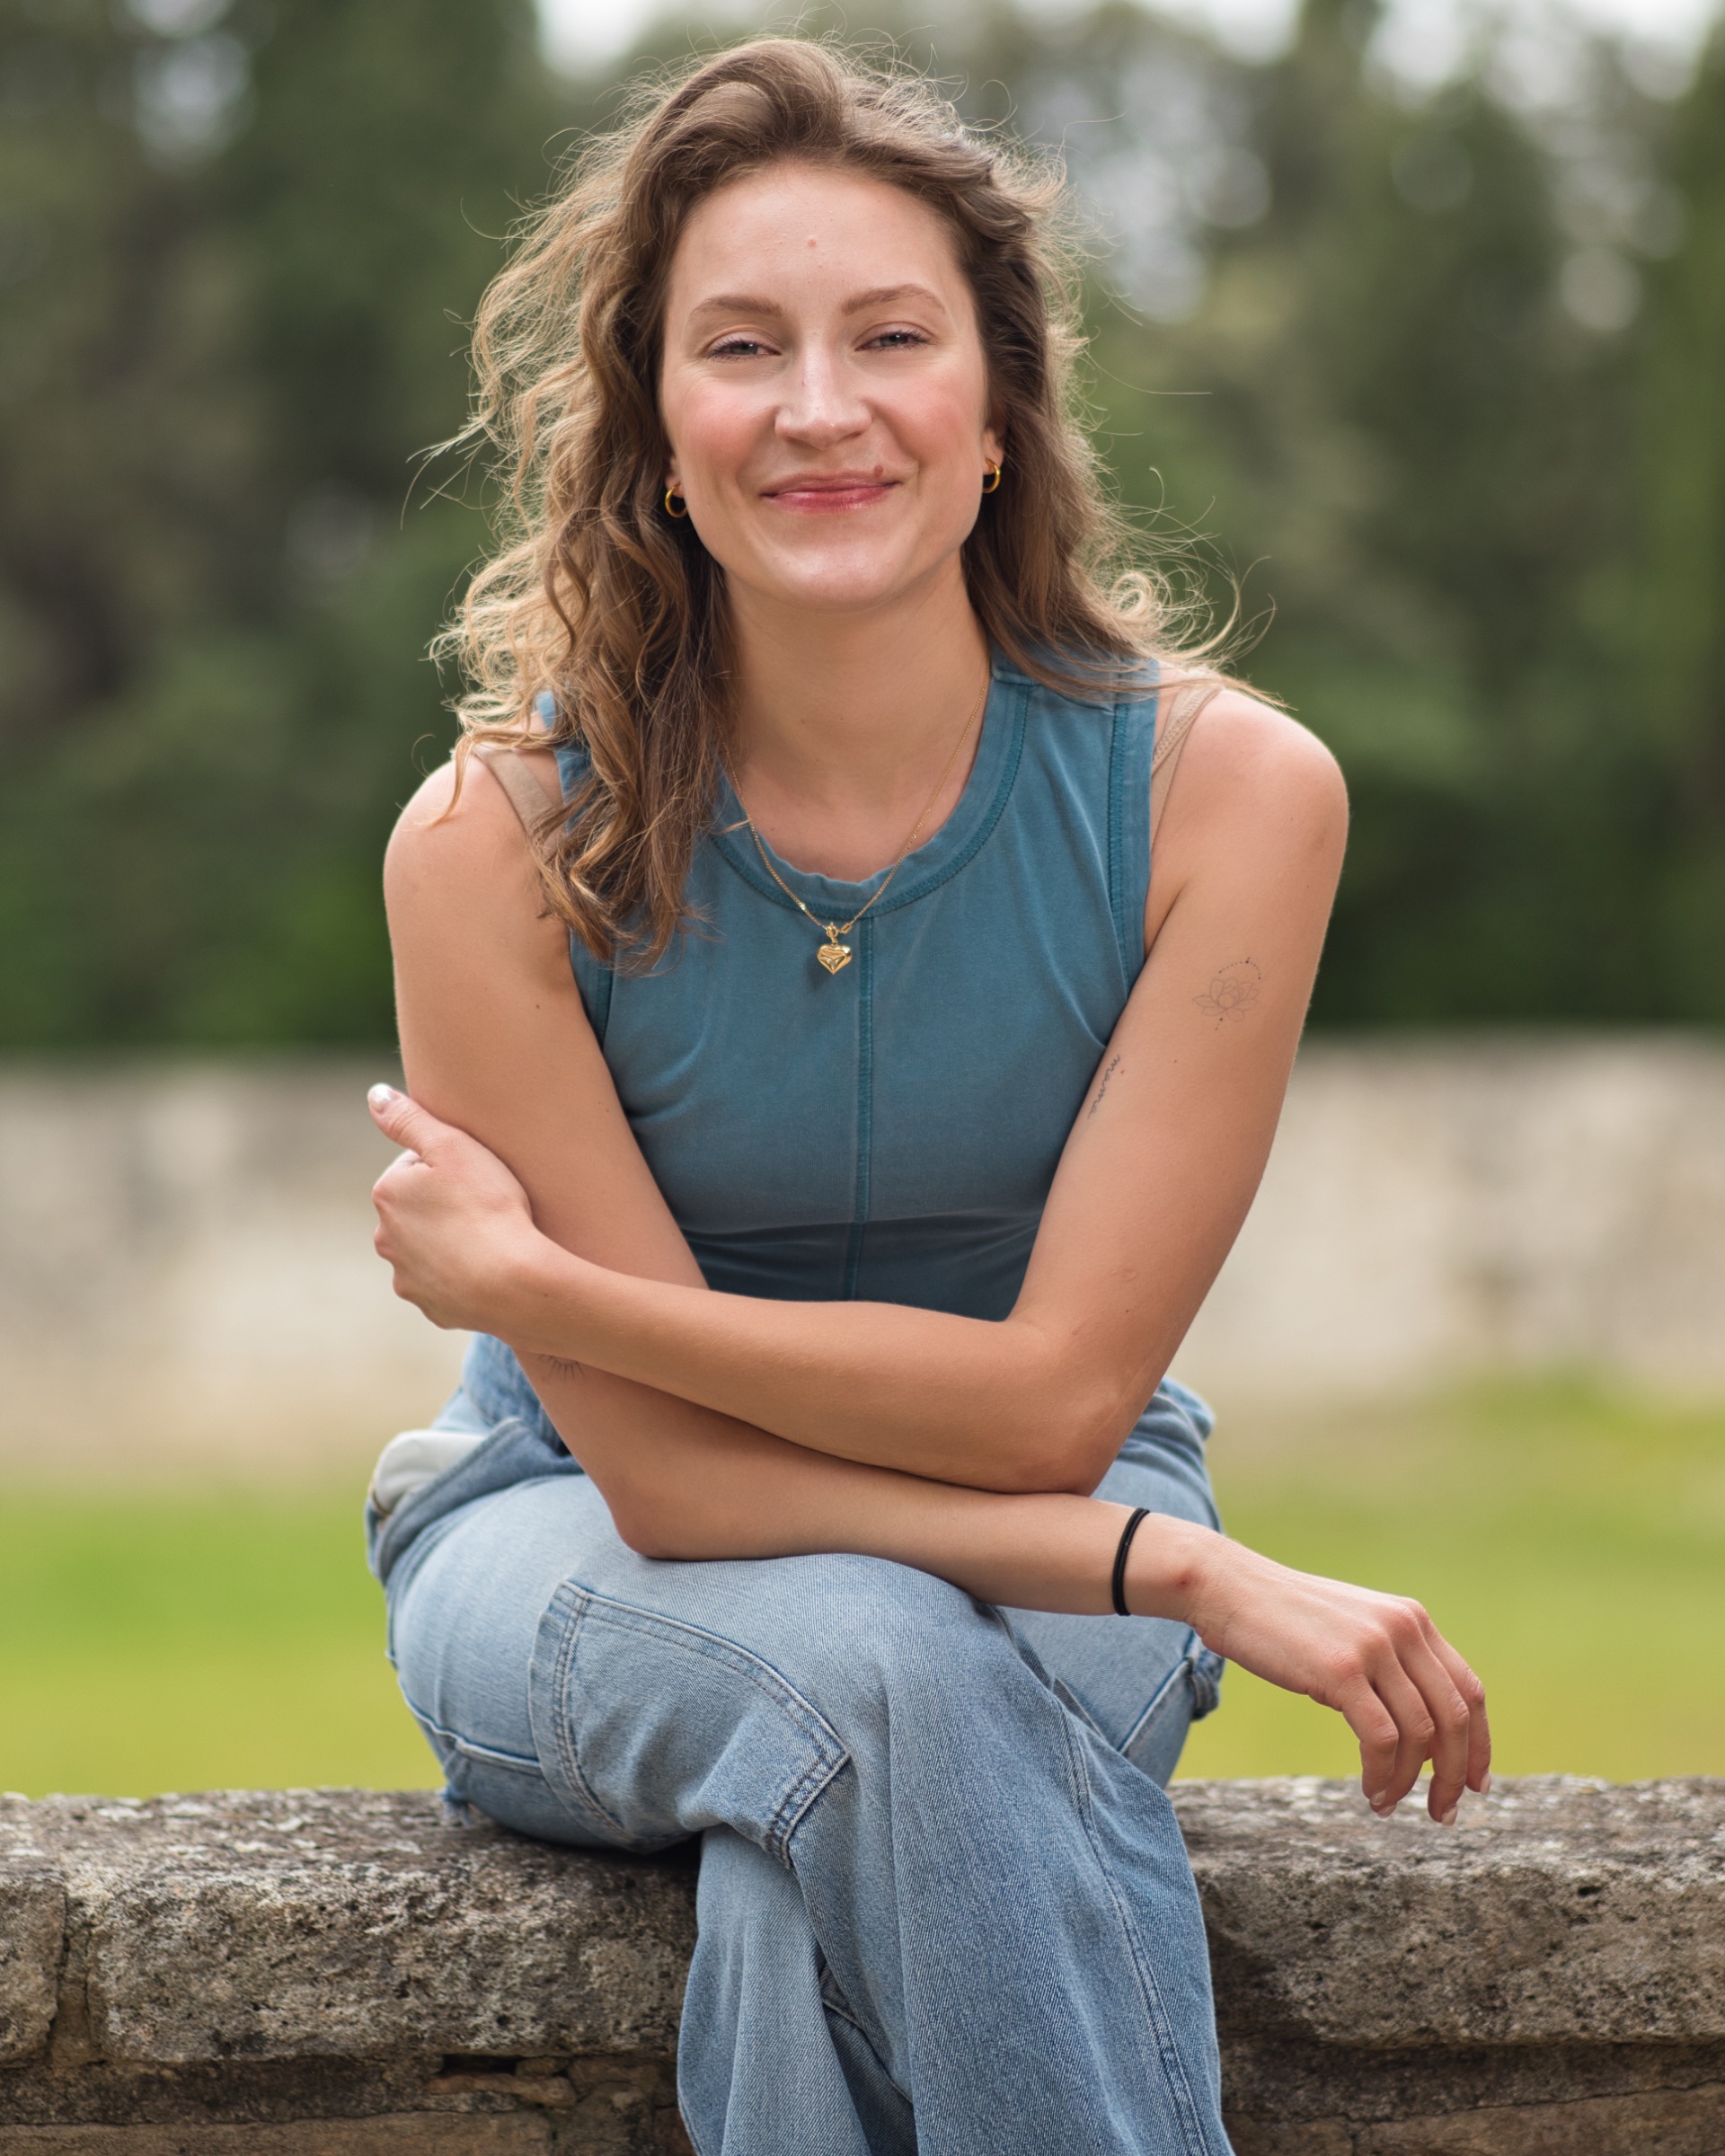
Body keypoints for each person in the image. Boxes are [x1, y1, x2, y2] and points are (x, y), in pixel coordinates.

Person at [363, 39, 1489, 2156]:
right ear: (654, 432)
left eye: (891, 337)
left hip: (1067, 1491)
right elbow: (678, 1489)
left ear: (996, 416)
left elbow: (1059, 1398)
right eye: (740, 348)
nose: (818, 408)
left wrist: (548, 1290)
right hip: (571, 1529)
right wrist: (1173, 1576)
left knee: (820, 1883)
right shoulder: (489, 841)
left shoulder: (1224, 798)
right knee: (886, 1672)